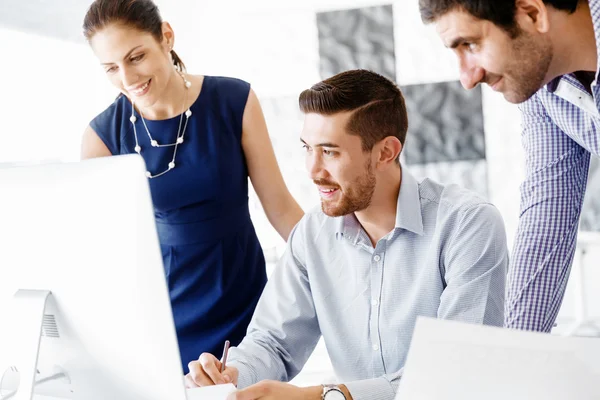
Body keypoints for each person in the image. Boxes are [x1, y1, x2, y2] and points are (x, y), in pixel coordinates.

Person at [185, 69, 508, 400]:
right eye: (307, 148)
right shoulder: (311, 236)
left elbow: (456, 374)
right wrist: (230, 375)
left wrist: (324, 396)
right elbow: (273, 343)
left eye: (329, 151)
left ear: (385, 152)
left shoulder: (467, 225)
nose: (312, 171)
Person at [80, 0, 304, 371]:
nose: (128, 78)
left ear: (166, 37)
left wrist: (337, 263)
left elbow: (279, 207)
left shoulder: (234, 100)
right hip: (164, 315)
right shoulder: (101, 137)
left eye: (136, 57)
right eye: (111, 68)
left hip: (244, 298)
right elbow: (110, 252)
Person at [419, 0, 599, 332]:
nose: (467, 78)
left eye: (470, 44)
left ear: (532, 13)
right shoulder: (543, 87)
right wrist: (513, 356)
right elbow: (547, 214)